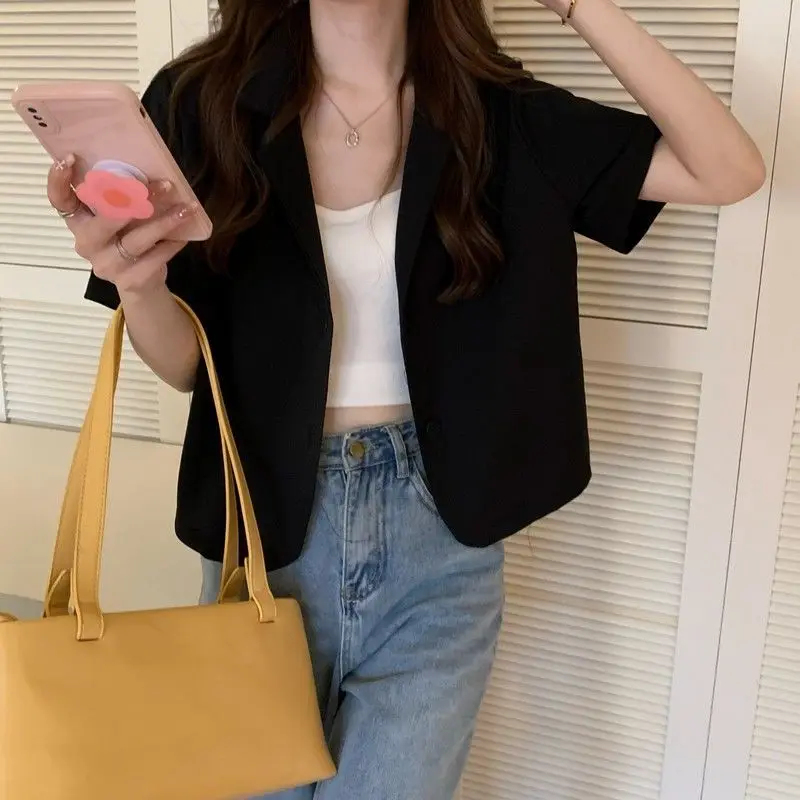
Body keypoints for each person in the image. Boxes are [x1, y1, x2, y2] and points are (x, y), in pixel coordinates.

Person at [48, 0, 764, 797]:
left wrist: (575, 5)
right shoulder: (199, 103)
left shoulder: (501, 112)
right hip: (261, 533)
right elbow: (188, 368)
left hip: (441, 542)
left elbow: (726, 170)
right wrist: (138, 285)